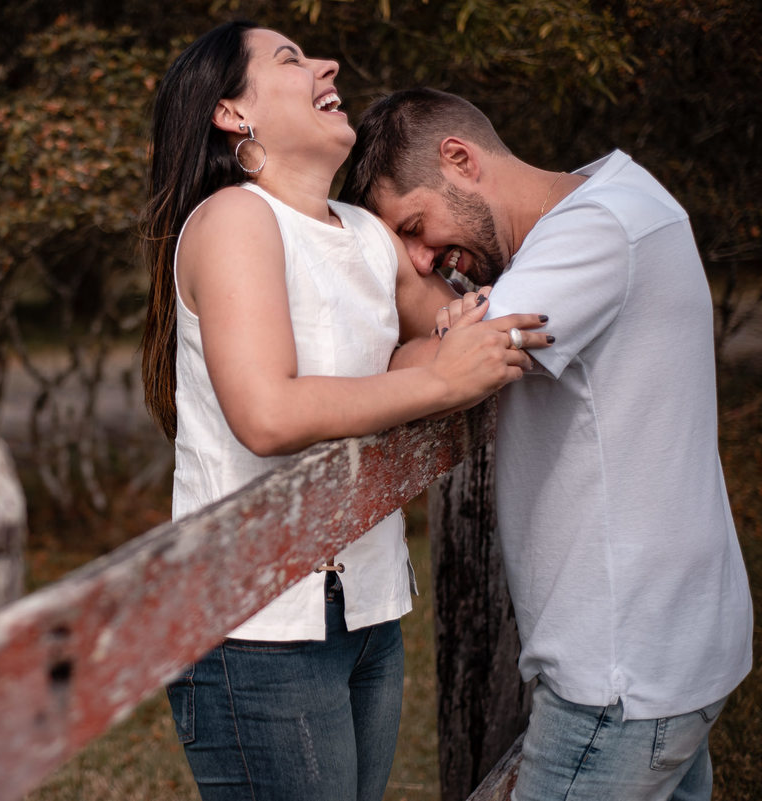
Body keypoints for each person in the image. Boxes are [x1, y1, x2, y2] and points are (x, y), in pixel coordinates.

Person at [140, 25, 551, 801]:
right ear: (231, 112)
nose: (327, 65)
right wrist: (442, 380)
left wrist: (456, 341)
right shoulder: (234, 219)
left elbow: (446, 342)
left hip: (367, 612)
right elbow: (266, 412)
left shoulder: (366, 234)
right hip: (253, 625)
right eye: (290, 59)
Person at [339, 87, 753, 801]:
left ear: (460, 159)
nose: (423, 259)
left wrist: (432, 327)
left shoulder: (592, 234)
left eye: (413, 226)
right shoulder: (621, 197)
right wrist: (452, 322)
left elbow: (432, 371)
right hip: (669, 649)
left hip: (618, 673)